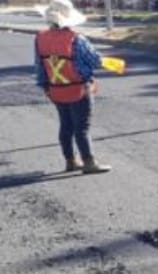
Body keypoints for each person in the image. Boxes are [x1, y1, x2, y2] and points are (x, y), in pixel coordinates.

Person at [34, 0, 111, 174]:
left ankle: (70, 161)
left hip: (56, 89)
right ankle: (89, 162)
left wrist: (45, 87)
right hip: (79, 89)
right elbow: (95, 61)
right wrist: (105, 61)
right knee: (81, 128)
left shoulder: (40, 38)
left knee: (66, 125)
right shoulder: (76, 39)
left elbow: (39, 66)